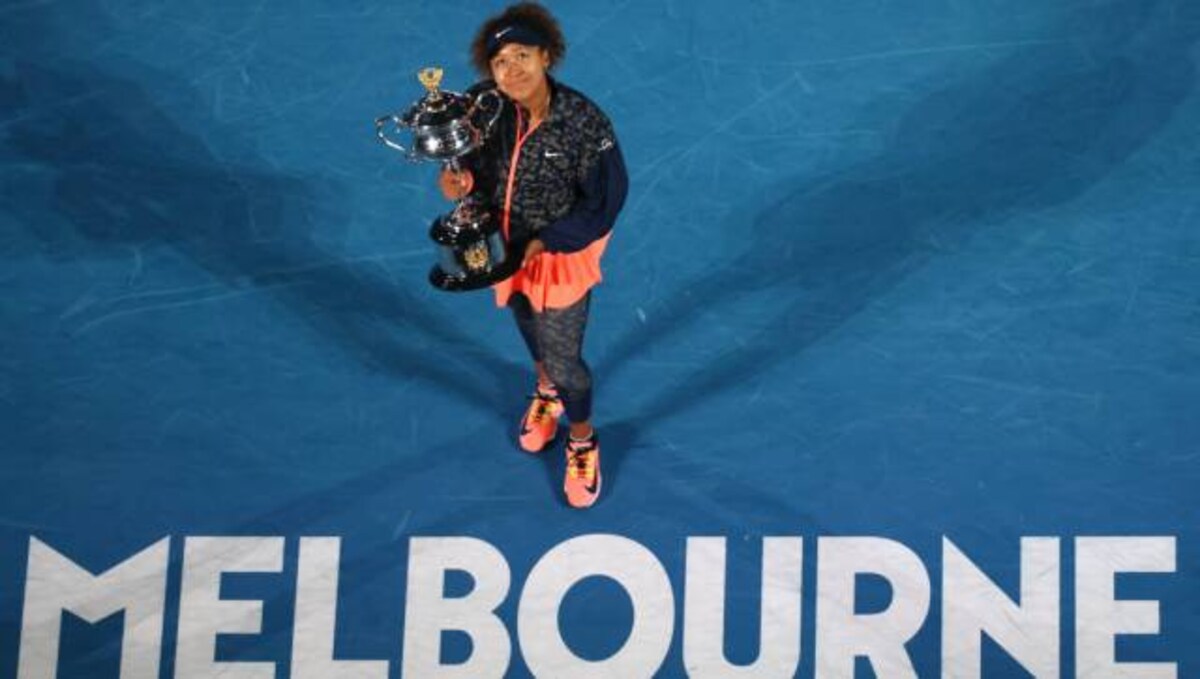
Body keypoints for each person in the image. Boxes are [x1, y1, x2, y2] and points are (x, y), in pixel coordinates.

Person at [438, 2, 627, 509]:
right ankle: (543, 393)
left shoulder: (583, 122)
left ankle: (582, 439)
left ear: (546, 56)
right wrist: (459, 182)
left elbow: (605, 202)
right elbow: (470, 165)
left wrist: (547, 241)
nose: (512, 70)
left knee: (565, 359)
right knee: (525, 321)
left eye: (522, 55)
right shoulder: (484, 105)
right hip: (505, 245)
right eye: (501, 62)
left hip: (560, 252)